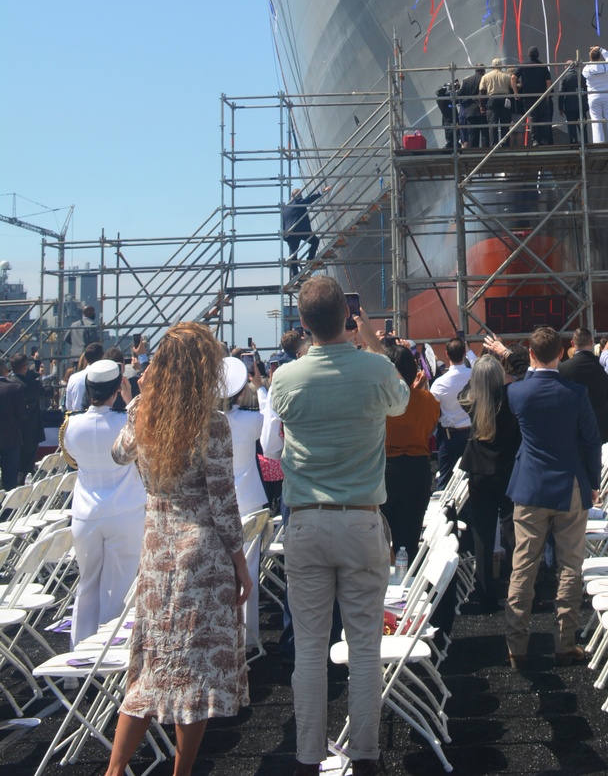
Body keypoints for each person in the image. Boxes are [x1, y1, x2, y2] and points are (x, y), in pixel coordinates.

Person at [265, 276, 409, 776]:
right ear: (345, 318)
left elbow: (273, 444)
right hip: (362, 521)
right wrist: (366, 336)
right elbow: (401, 402)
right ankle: (366, 755)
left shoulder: (285, 378)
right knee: (365, 648)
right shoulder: (374, 369)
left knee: (309, 650)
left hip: (305, 522)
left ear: (303, 324)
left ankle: (308, 757)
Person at [102, 323, 252, 776]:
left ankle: (114, 770)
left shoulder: (144, 416)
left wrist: (137, 402)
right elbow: (224, 505)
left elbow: (118, 455)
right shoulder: (211, 425)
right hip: (200, 556)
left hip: (157, 551)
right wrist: (241, 567)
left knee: (151, 668)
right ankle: (181, 772)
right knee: (196, 673)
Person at [504, 326, 602, 668]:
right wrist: (593, 480)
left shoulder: (517, 394)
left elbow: (524, 377)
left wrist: (528, 365)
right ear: (562, 353)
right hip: (570, 485)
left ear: (531, 354)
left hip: (530, 486)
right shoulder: (576, 393)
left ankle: (517, 646)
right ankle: (565, 642)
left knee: (523, 566)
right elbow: (591, 440)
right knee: (569, 566)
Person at [61, 360, 146, 647]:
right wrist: (130, 398)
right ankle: (110, 655)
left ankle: (78, 656)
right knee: (119, 588)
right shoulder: (126, 423)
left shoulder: (70, 424)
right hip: (125, 512)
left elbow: (72, 461)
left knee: (86, 585)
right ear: (117, 386)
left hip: (86, 513)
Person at [458, 353, 522, 611]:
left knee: (482, 535)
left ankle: (485, 594)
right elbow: (525, 376)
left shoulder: (470, 401)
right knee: (512, 533)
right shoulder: (511, 398)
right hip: (508, 472)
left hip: (479, 473)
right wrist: (507, 359)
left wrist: (477, 373)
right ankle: (517, 588)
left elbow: (466, 389)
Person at [220, 356, 267, 643]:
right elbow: (269, 420)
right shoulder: (251, 420)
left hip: (217, 503)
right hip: (248, 500)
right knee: (248, 569)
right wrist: (259, 389)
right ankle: (248, 639)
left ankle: (224, 634)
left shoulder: (204, 423)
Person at [383, 344, 440, 566]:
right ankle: (405, 583)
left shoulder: (380, 399)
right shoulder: (428, 400)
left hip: (386, 470)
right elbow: (430, 428)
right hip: (418, 469)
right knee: (409, 537)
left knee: (380, 536)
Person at [560, 327, 608, 443]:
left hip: (575, 426)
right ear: (591, 342)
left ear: (572, 343)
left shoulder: (563, 368)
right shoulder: (603, 365)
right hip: (601, 425)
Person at [431, 335, 473, 484]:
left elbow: (432, 409)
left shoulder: (439, 383)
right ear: (463, 353)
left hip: (450, 436)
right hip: (472, 434)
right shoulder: (474, 375)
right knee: (472, 478)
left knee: (445, 478)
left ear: (446, 354)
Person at [281, 185, 331, 281]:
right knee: (315, 241)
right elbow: (308, 200)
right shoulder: (298, 202)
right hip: (300, 230)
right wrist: (321, 192)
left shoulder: (285, 209)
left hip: (289, 233)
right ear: (299, 196)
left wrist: (285, 234)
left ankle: (295, 273)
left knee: (293, 254)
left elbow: (283, 223)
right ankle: (310, 259)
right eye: (301, 195)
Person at [10, 354, 43, 479]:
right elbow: (47, 392)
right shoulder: (31, 385)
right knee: (27, 469)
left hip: (10, 434)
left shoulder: (8, 383)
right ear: (25, 367)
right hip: (30, 432)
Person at [515, 47, 553, 146]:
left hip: (528, 96)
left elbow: (513, 77)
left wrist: (516, 92)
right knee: (544, 118)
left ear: (528, 55)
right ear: (538, 55)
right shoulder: (542, 66)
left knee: (532, 119)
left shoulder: (523, 65)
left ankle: (535, 140)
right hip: (541, 96)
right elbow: (548, 81)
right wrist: (547, 94)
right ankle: (544, 140)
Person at [583, 45, 608, 144]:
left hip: (593, 96)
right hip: (607, 95)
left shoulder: (586, 69)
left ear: (590, 58)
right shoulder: (607, 66)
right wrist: (599, 49)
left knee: (596, 121)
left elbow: (584, 75)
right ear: (599, 57)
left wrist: (591, 55)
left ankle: (599, 142)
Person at [0, 359, 27, 491]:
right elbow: (22, 415)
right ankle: (8, 511)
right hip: (10, 439)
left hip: (10, 439)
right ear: (5, 370)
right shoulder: (15, 388)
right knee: (10, 479)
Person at [481, 58, 514, 146]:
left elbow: (482, 91)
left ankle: (494, 144)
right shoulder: (507, 76)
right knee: (505, 124)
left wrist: (482, 105)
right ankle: (505, 144)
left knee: (493, 124)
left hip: (492, 99)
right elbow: (511, 89)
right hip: (504, 99)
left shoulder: (485, 76)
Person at [65, 342, 105, 413]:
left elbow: (68, 406)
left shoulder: (73, 378)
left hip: (76, 419)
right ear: (102, 357)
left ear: (85, 359)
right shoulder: (105, 377)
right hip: (99, 419)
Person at [456, 64, 487, 149]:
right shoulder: (486, 79)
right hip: (483, 110)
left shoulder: (467, 81)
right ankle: (486, 152)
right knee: (485, 133)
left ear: (475, 70)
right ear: (484, 70)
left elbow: (459, 95)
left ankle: (473, 153)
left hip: (470, 112)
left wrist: (471, 98)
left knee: (473, 135)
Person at [558, 60, 588, 146]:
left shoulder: (564, 78)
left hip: (570, 107)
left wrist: (560, 107)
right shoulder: (581, 77)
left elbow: (561, 94)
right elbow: (585, 91)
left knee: (571, 127)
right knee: (583, 126)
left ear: (565, 67)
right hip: (581, 105)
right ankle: (585, 143)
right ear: (574, 66)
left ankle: (574, 143)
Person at [435, 78, 461, 152]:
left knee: (450, 134)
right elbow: (455, 100)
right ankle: (452, 146)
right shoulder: (444, 100)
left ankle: (452, 145)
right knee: (453, 134)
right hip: (450, 119)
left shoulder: (441, 100)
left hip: (447, 119)